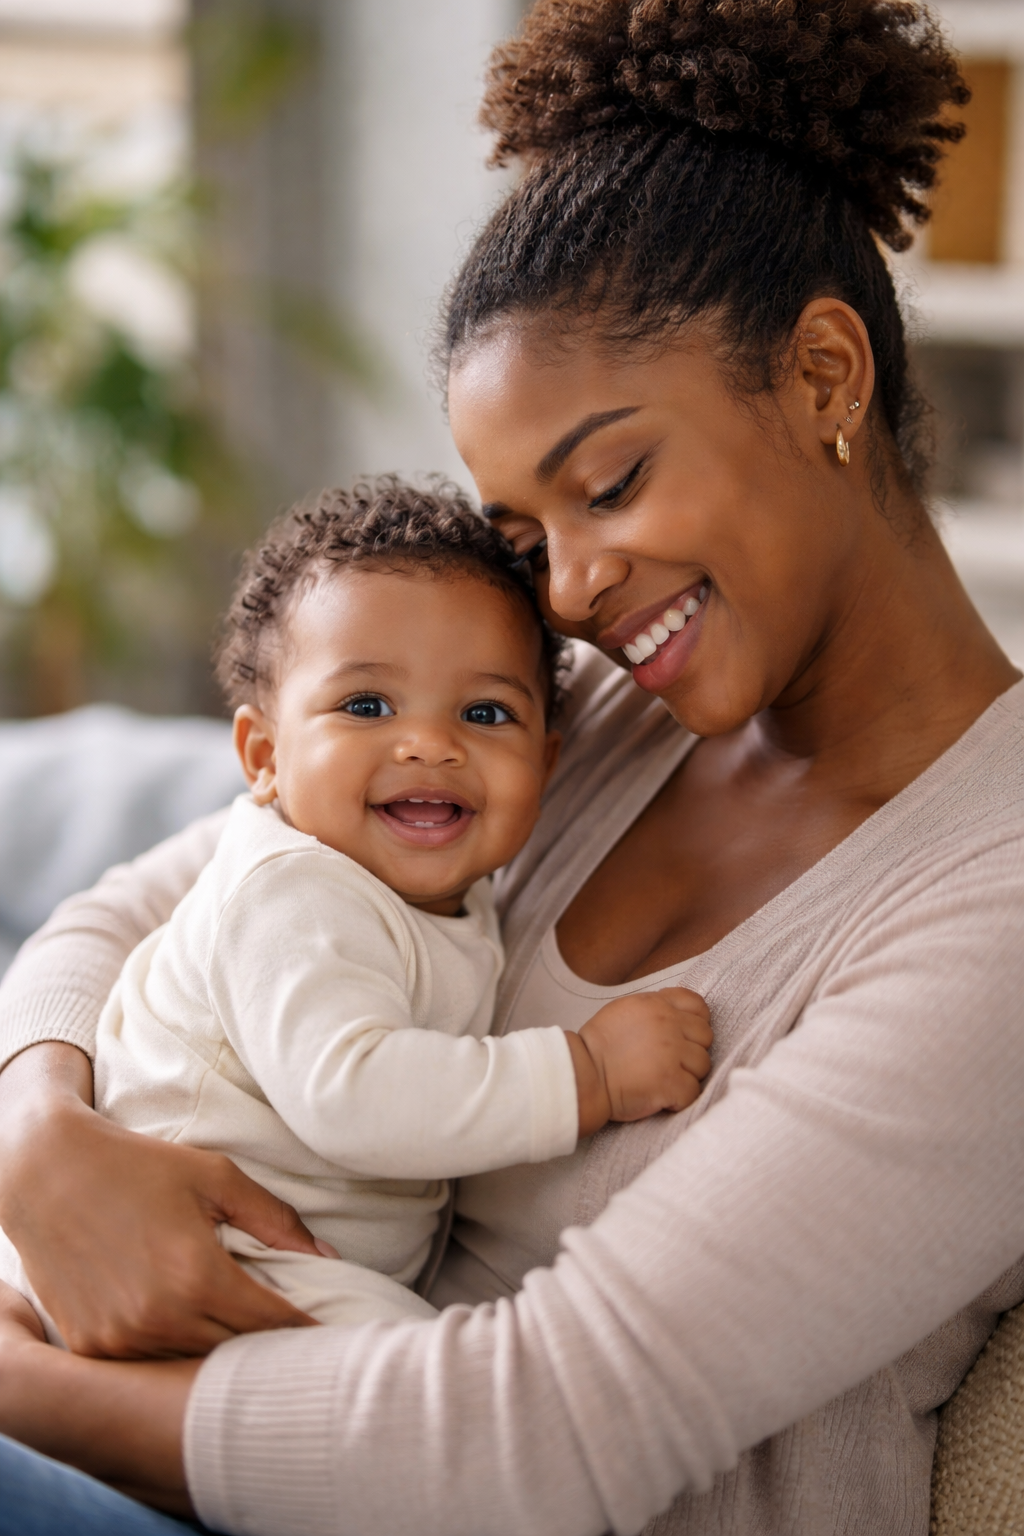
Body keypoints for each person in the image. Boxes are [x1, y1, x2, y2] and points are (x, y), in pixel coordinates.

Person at [0, 1, 1023, 1532]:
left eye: (612, 483)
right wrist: (42, 1133)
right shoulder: (599, 718)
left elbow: (524, 1439)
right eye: (528, 539)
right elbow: (135, 908)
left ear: (824, 376)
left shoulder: (993, 913)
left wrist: (15, 1379)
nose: (564, 598)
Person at [0, 479, 711, 1338]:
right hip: (198, 1240)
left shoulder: (447, 890)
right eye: (366, 705)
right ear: (264, 755)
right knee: (414, 1368)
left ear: (548, 765)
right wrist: (586, 1074)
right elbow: (353, 1094)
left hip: (270, 1250)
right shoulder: (293, 892)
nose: (429, 744)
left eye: (485, 713)